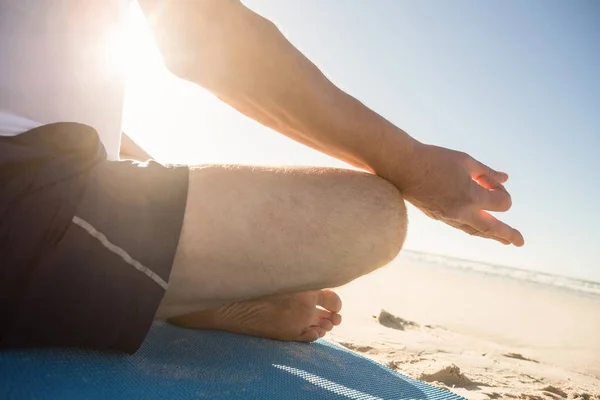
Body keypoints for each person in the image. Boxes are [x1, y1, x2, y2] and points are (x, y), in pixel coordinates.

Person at [0, 0, 524, 354]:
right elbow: (204, 36)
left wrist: (175, 219)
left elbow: (80, 131)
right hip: (22, 192)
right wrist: (416, 166)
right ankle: (187, 303)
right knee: (372, 216)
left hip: (44, 175)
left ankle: (175, 289)